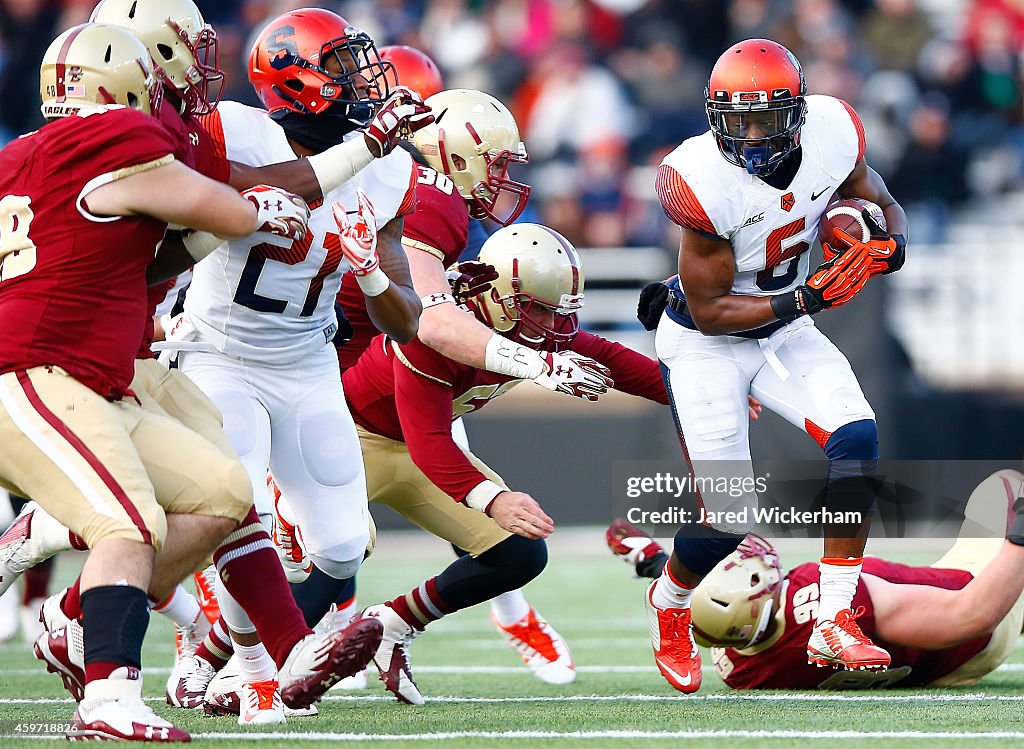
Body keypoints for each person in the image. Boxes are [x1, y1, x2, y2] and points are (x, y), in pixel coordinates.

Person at [0, 22, 308, 741]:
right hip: (37, 371)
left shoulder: (26, 156)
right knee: (129, 523)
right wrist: (263, 206)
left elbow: (144, 253)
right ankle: (108, 697)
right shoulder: (112, 139)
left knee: (221, 491)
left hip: (83, 377)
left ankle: (75, 617)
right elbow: (223, 207)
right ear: (123, 88)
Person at [157, 6, 427, 718]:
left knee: (340, 545)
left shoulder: (390, 167)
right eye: (341, 67)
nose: (364, 80)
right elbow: (233, 185)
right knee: (229, 510)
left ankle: (221, 647)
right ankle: (248, 669)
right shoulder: (231, 129)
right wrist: (359, 148)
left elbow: (409, 320)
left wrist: (371, 273)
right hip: (220, 353)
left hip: (307, 362)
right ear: (297, 82)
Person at [300, 83, 610, 685]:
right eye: (494, 162)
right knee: (320, 550)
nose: (502, 179)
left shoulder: (416, 191)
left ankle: (390, 626)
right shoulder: (431, 196)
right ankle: (217, 658)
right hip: (321, 388)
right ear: (453, 152)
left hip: (377, 384)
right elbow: (436, 325)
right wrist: (538, 366)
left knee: (496, 537)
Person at [649, 38, 909, 691]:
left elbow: (880, 199)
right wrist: (807, 294)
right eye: (743, 121)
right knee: (729, 517)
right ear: (715, 118)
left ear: (798, 111)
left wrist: (887, 246)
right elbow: (709, 308)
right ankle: (669, 605)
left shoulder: (833, 131)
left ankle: (833, 618)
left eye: (770, 119)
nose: (758, 136)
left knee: (857, 434)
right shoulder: (698, 177)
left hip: (786, 325)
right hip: (706, 339)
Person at [606, 469, 1024, 690]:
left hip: (945, 671)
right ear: (753, 585)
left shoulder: (739, 668)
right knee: (1006, 487)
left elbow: (705, 606)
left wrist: (656, 562)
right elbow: (973, 616)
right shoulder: (825, 600)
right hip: (982, 604)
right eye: (738, 559)